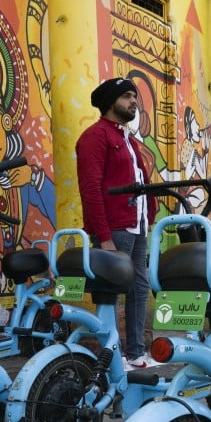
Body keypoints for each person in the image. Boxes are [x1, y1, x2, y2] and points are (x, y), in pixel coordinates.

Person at [76, 77, 157, 368]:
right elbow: (91, 189)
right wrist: (104, 236)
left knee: (138, 287)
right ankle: (110, 357)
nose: (134, 102)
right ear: (111, 102)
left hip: (137, 224)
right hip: (115, 228)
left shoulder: (126, 138)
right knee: (111, 292)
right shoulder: (95, 137)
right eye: (127, 96)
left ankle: (135, 353)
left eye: (134, 96)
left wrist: (150, 213)